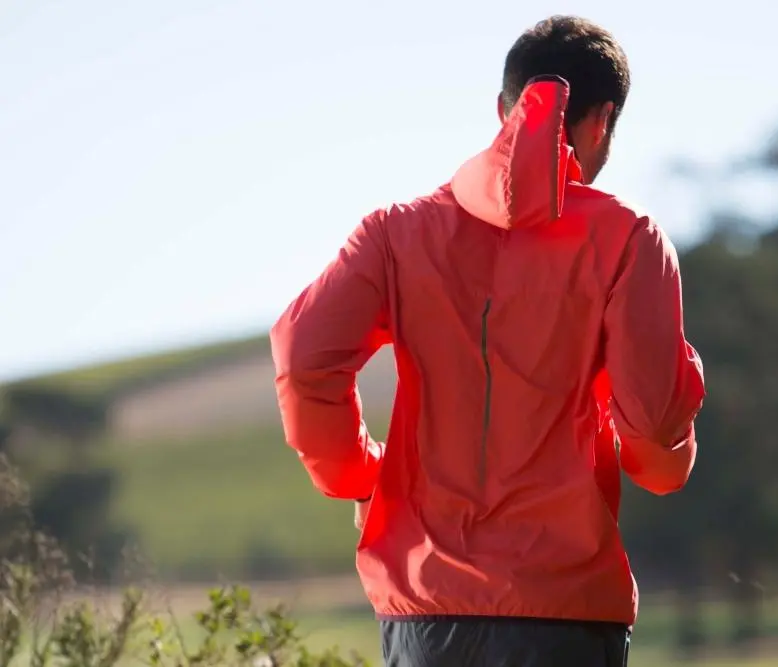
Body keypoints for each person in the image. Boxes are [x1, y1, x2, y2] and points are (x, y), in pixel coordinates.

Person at [269, 15, 705, 667]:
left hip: (424, 611)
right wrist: (668, 457)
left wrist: (362, 475)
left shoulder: (395, 232)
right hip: (568, 610)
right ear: (602, 121)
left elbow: (305, 358)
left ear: (503, 109)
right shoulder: (629, 239)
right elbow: (653, 439)